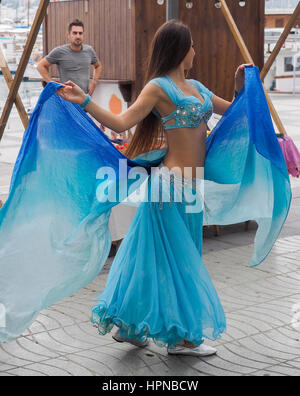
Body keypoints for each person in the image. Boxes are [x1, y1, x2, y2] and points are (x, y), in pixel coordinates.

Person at [57, 20, 247, 357]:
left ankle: (131, 329)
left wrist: (241, 88)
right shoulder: (159, 87)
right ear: (179, 49)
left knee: (160, 259)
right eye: (191, 45)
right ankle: (184, 339)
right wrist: (84, 99)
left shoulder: (199, 88)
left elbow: (235, 114)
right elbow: (122, 122)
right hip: (169, 188)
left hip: (190, 189)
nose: (195, 52)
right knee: (182, 263)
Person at [37, 19, 102, 95]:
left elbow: (98, 66)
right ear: (68, 35)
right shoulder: (59, 51)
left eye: (80, 33)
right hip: (67, 99)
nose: (78, 36)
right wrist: (53, 85)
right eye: (74, 33)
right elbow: (40, 66)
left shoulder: (89, 50)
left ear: (83, 35)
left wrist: (93, 83)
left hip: (85, 98)